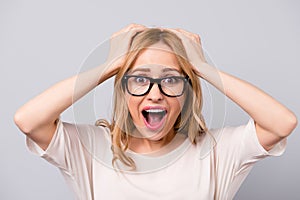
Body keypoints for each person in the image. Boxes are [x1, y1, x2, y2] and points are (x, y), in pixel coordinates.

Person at [14, 24, 297, 200]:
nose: (155, 92)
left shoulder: (216, 151)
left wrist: (203, 67)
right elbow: (28, 120)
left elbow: (282, 123)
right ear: (123, 89)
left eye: (171, 79)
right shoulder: (90, 148)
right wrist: (109, 65)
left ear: (187, 92)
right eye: (139, 78)